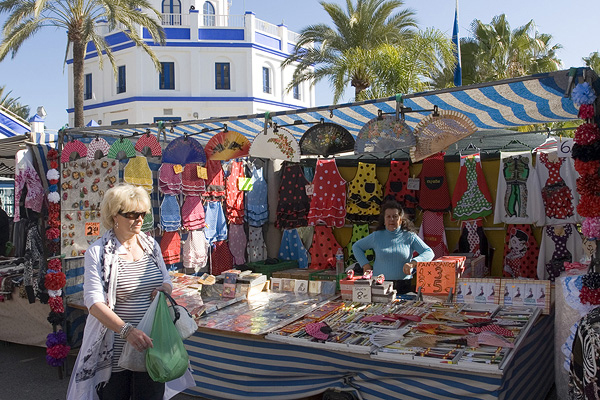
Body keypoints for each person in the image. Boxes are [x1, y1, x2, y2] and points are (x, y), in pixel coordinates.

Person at [67, 184, 173, 400]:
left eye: (142, 213)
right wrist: (127, 331)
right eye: (132, 214)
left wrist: (164, 289)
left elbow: (166, 279)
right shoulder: (98, 252)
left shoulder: (151, 245)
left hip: (151, 345)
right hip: (114, 350)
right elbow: (94, 303)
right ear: (114, 215)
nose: (140, 219)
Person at [352, 200, 434, 293]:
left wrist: (413, 263)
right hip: (380, 285)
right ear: (384, 220)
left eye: (395, 216)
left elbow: (429, 252)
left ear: (401, 219)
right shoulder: (376, 236)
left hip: (404, 285)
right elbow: (356, 247)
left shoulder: (409, 236)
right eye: (388, 216)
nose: (391, 220)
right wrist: (365, 265)